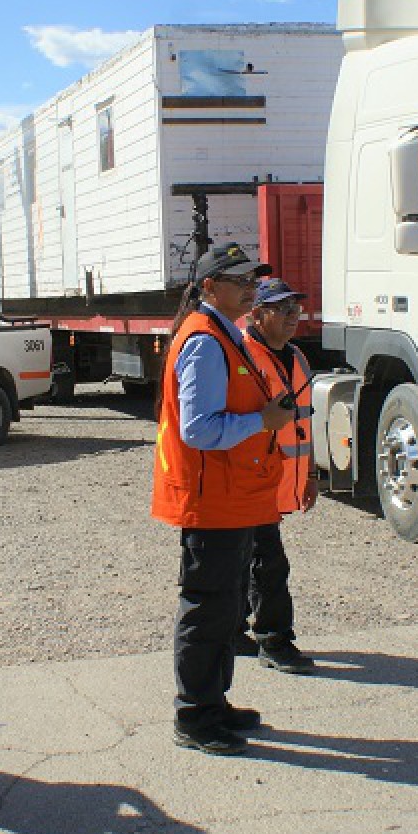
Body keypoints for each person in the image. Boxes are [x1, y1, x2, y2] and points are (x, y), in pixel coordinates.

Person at [152, 242, 294, 757]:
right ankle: (193, 715)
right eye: (238, 279)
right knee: (208, 608)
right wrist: (264, 420)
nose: (250, 287)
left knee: (224, 605)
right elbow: (197, 429)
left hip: (231, 497)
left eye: (252, 279)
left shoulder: (225, 336)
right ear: (209, 287)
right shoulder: (207, 341)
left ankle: (213, 703)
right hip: (213, 499)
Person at [238, 278, 319, 675]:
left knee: (243, 556)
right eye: (282, 310)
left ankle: (235, 631)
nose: (292, 317)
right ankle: (274, 640)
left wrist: (311, 474)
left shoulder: (296, 356)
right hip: (249, 480)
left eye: (295, 310)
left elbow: (304, 421)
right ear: (258, 314)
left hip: (278, 481)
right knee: (268, 563)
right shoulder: (242, 357)